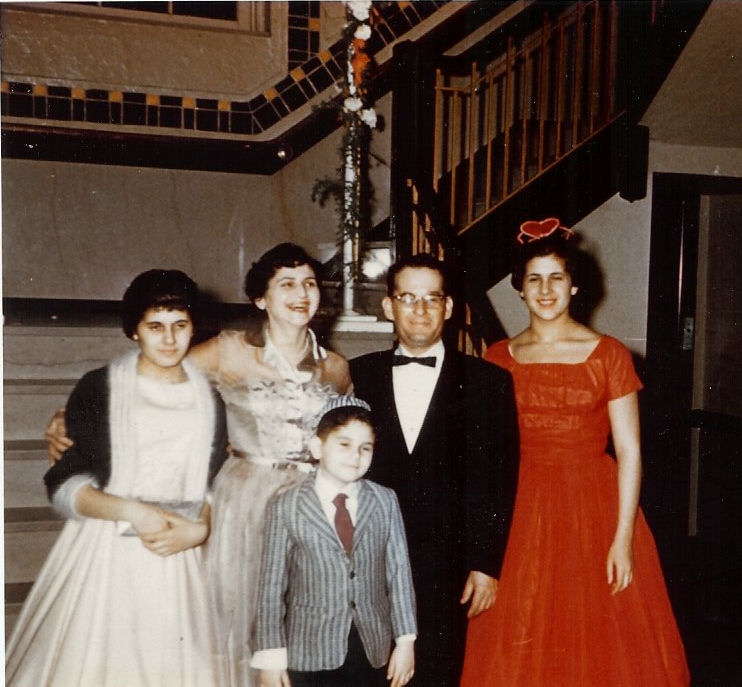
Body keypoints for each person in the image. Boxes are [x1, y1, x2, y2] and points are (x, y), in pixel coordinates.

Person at [43, 243, 353, 687]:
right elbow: (151, 375)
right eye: (286, 284)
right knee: (239, 625)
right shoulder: (228, 350)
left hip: (312, 505)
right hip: (246, 502)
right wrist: (65, 416)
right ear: (260, 298)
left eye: (309, 284)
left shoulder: (336, 367)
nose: (301, 294)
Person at [460, 218, 690, 687]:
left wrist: (623, 539)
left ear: (575, 285)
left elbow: (630, 452)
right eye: (534, 279)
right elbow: (486, 459)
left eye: (556, 277)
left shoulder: (609, 355)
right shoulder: (497, 357)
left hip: (594, 509)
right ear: (520, 289)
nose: (546, 290)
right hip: (519, 510)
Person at [6, 269, 228, 687]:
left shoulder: (208, 398)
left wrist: (200, 528)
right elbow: (64, 481)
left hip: (179, 549)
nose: (169, 339)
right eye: (155, 326)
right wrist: (134, 511)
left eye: (180, 325)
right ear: (133, 331)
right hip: (110, 548)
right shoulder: (100, 388)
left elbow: (216, 481)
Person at [349, 253, 520, 687]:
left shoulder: (488, 381)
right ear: (388, 306)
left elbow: (498, 479)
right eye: (408, 298)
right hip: (370, 558)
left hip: (448, 563)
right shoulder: (357, 375)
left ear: (448, 307)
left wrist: (485, 564)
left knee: (437, 672)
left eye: (432, 298)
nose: (420, 309)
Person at [252, 396, 417, 687]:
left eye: (365, 448)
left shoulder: (385, 500)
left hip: (370, 649)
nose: (356, 456)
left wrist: (405, 641)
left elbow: (399, 574)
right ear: (317, 447)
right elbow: (271, 588)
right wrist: (270, 657)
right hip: (309, 652)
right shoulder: (287, 506)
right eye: (344, 444)